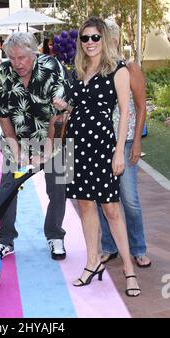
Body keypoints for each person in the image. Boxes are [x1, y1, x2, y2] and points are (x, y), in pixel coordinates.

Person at [53, 16, 141, 296]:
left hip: (103, 147)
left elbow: (125, 113)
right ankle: (92, 263)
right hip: (75, 146)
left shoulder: (119, 69)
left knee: (112, 209)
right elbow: (76, 107)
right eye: (85, 38)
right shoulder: (76, 70)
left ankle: (128, 269)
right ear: (79, 42)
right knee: (86, 207)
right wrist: (64, 106)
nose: (90, 43)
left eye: (95, 37)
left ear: (104, 39)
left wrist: (119, 152)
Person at [0, 32, 68, 260]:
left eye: (22, 57)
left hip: (54, 138)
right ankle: (6, 239)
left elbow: (60, 116)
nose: (17, 63)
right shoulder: (3, 73)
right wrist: (17, 151)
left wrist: (45, 153)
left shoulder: (52, 67)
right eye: (11, 58)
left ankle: (55, 235)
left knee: (58, 188)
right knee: (8, 188)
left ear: (34, 54)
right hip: (17, 139)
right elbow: (3, 116)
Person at [98, 19, 151, 268]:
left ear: (116, 40)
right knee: (101, 198)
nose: (99, 42)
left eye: (105, 37)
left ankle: (138, 248)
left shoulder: (130, 68)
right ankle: (109, 246)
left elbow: (141, 107)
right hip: (99, 142)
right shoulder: (95, 68)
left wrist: (138, 142)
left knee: (129, 198)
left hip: (127, 140)